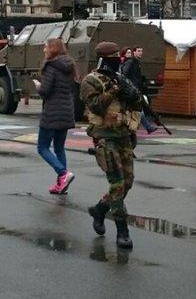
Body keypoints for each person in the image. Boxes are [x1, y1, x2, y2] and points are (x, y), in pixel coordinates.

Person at [81, 42, 143, 249]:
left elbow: (136, 103)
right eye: (115, 57)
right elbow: (96, 106)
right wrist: (114, 91)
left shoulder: (120, 77)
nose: (119, 61)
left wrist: (130, 92)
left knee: (128, 182)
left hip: (124, 135)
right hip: (104, 137)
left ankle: (99, 209)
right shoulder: (91, 80)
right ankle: (122, 230)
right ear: (104, 59)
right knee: (117, 183)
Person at [34, 38, 77, 195]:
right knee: (59, 148)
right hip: (66, 111)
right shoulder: (69, 66)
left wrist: (38, 86)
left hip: (52, 111)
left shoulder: (51, 67)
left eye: (45, 47)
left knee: (42, 147)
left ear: (52, 49)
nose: (44, 50)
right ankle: (61, 184)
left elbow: (46, 91)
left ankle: (63, 173)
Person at [121, 46, 157, 134]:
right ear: (134, 52)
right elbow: (124, 74)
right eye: (139, 51)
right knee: (138, 108)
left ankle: (144, 126)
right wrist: (131, 84)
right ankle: (147, 126)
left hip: (134, 88)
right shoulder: (131, 62)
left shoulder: (135, 62)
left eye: (141, 51)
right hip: (132, 89)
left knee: (136, 108)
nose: (141, 53)